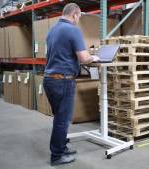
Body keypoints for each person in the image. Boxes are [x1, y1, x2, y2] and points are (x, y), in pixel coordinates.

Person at [43, 3, 99, 166]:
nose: (78, 21)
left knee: (59, 118)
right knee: (62, 120)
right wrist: (93, 57)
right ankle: (57, 155)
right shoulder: (72, 30)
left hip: (49, 80)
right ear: (75, 14)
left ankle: (62, 147)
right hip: (63, 81)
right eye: (79, 17)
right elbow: (83, 58)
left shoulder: (52, 30)